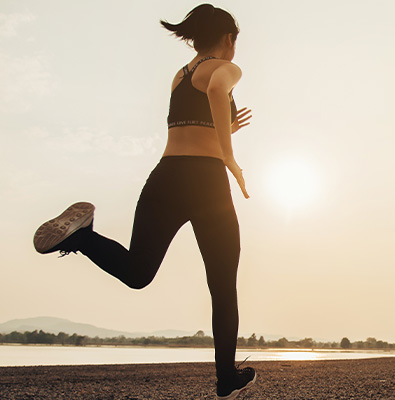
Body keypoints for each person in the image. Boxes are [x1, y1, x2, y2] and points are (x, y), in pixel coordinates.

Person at [32, 4, 256, 399]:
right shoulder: (226, 67)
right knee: (223, 285)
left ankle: (81, 237)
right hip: (206, 182)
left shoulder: (180, 76)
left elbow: (192, 123)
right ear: (228, 38)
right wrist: (230, 157)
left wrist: (225, 129)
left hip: (166, 176)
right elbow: (220, 89)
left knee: (138, 272)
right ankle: (225, 377)